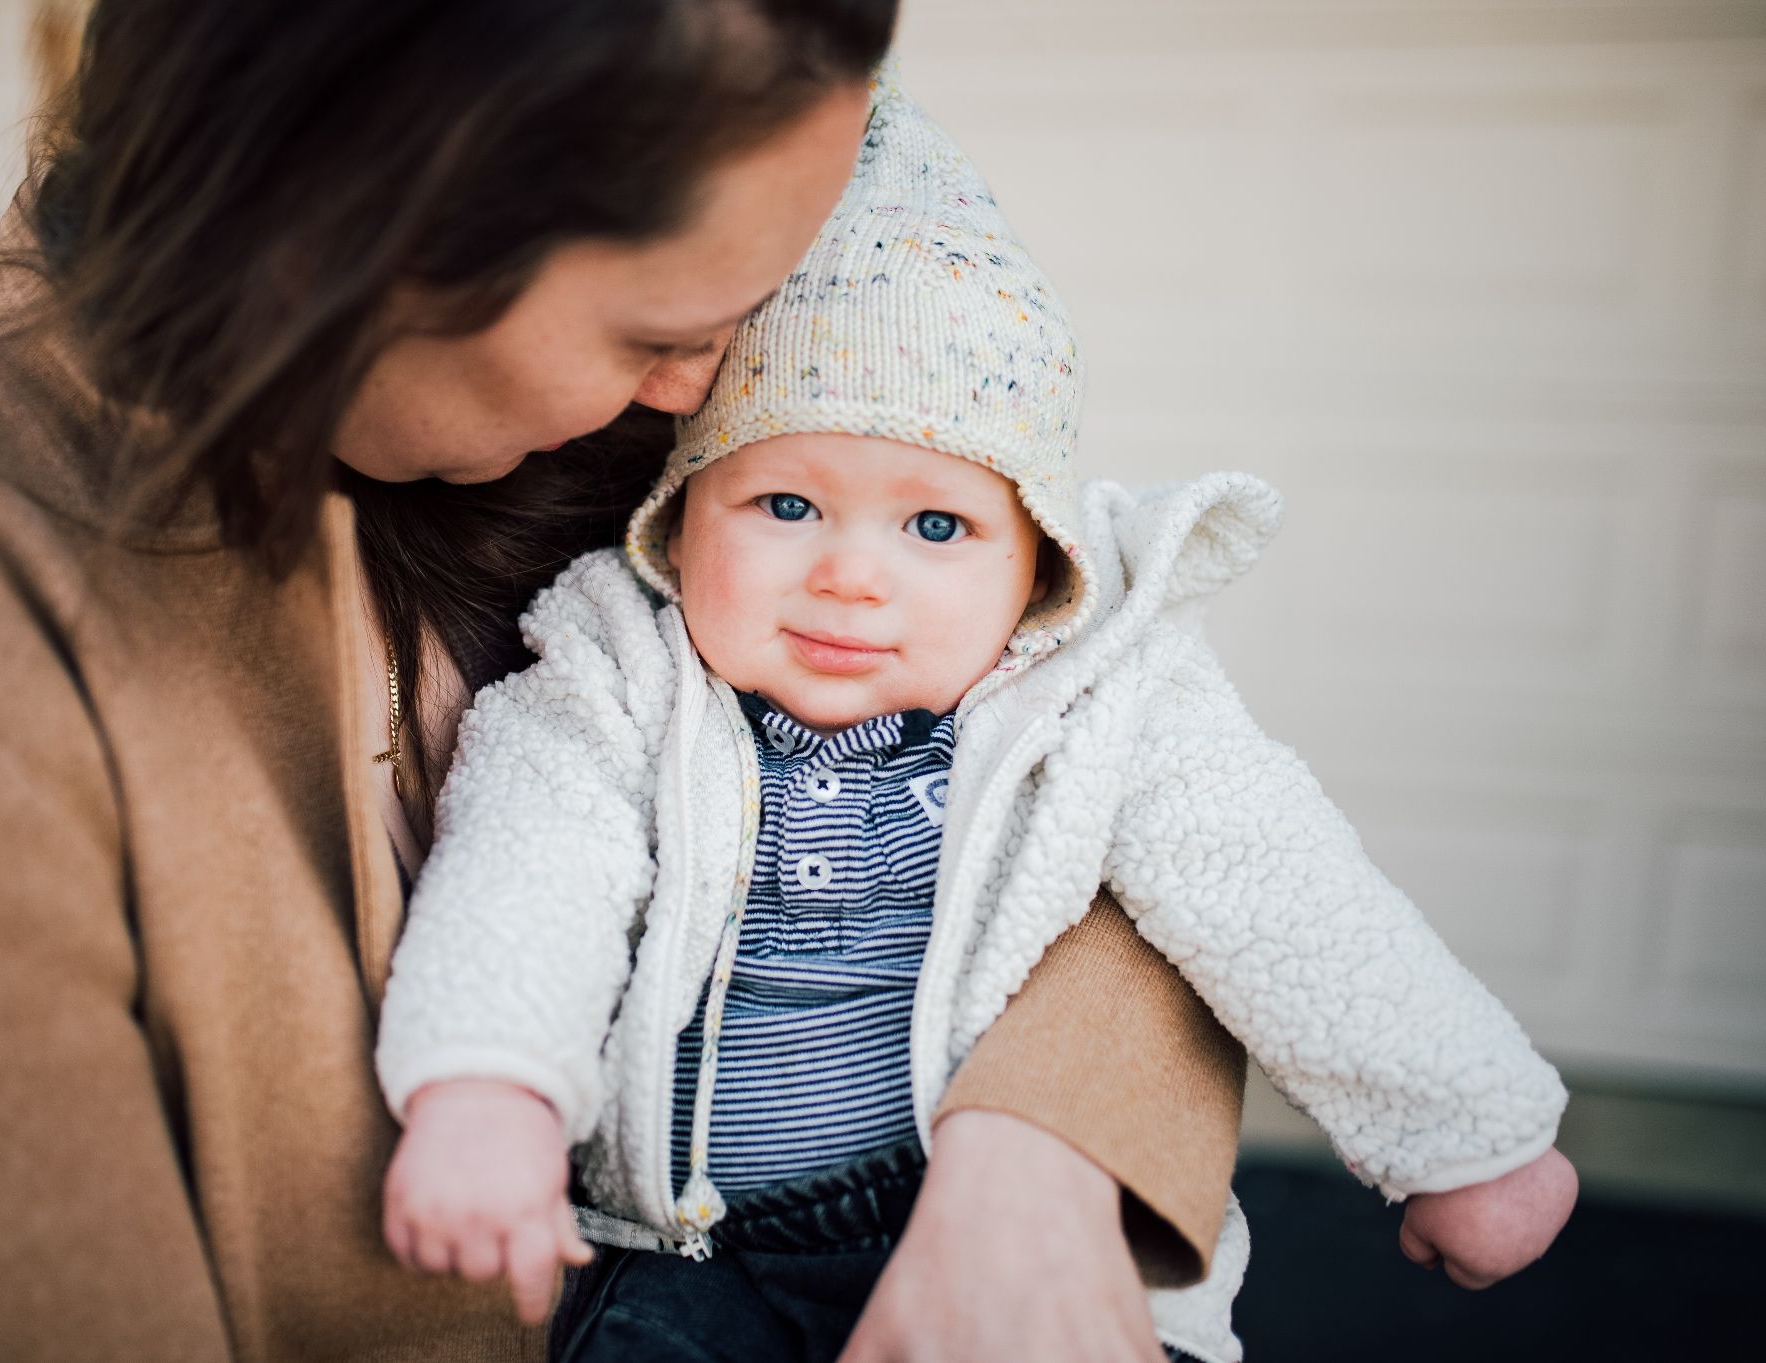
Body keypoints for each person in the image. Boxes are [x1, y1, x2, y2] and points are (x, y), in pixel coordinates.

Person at [0, 4, 1249, 1362]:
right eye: (664, 334)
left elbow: (1100, 737)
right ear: (365, 216)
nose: (716, 396)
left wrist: (1042, 1162)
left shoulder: (673, 252)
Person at [374, 70, 1580, 1363]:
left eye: (937, 526)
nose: (850, 572)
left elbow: (1282, 892)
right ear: (676, 524)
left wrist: (1472, 1139)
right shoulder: (615, 677)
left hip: (943, 1216)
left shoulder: (1098, 695)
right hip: (675, 1245)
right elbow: (528, 873)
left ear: (1036, 561)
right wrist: (488, 1091)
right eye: (784, 506)